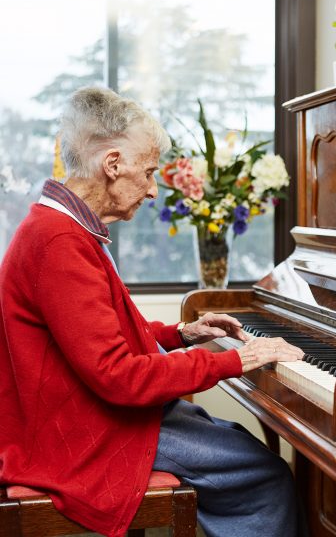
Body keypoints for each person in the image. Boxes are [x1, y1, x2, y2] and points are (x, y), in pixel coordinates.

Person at [0, 86, 305, 537]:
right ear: (112, 165)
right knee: (266, 475)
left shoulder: (63, 226)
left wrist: (182, 334)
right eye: (147, 173)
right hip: (86, 430)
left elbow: (101, 335)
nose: (152, 190)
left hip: (92, 412)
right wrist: (235, 361)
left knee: (238, 441)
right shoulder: (59, 241)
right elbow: (117, 374)